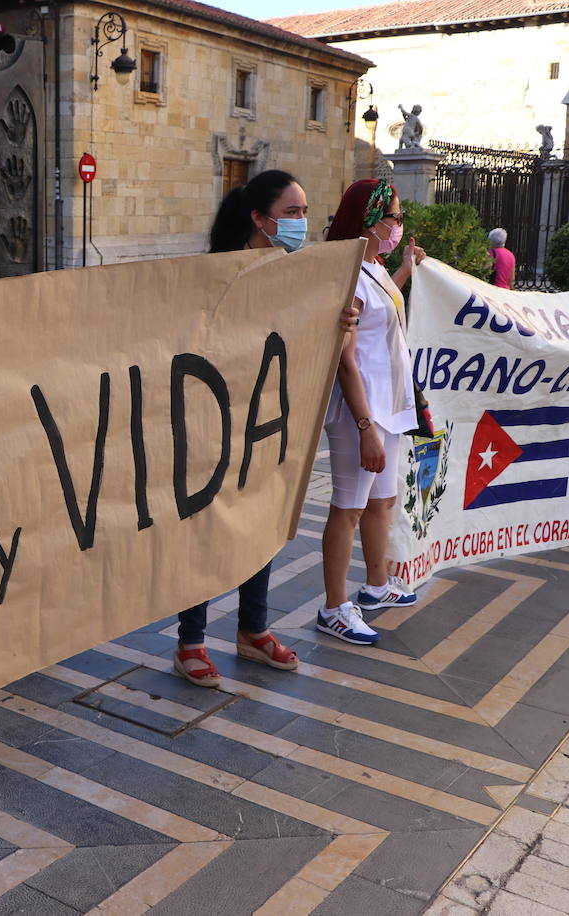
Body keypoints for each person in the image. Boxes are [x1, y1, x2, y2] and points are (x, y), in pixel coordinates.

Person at [174, 170, 360, 686]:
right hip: (215, 424)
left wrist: (337, 327)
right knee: (206, 530)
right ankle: (191, 640)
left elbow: (299, 346)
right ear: (260, 218)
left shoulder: (300, 276)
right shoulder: (218, 274)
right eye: (292, 213)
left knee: (261, 523)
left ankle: (252, 630)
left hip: (270, 424)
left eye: (305, 212)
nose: (303, 222)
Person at [317, 178, 425, 646]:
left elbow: (385, 306)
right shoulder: (346, 276)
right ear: (368, 219)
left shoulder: (375, 267)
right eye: (394, 217)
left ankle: (376, 586)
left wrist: (403, 268)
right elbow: (345, 360)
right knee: (348, 508)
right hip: (361, 411)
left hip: (389, 407)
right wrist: (365, 428)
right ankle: (334, 607)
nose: (400, 225)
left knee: (382, 502)